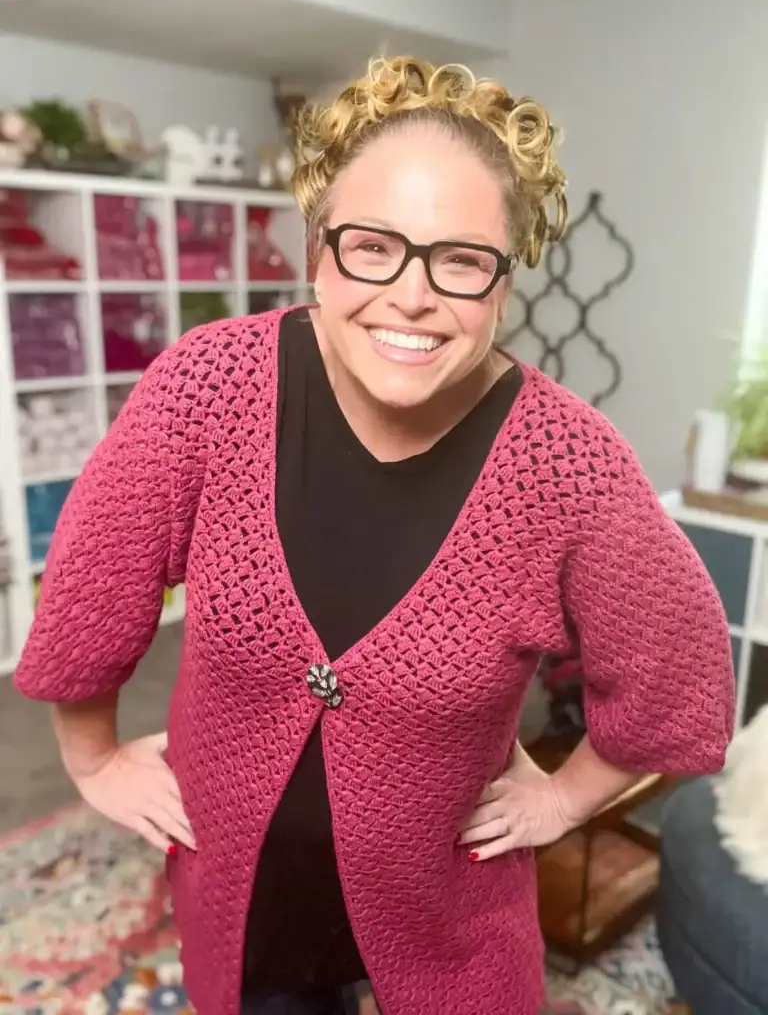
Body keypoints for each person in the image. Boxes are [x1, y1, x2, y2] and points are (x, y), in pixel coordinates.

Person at [14, 56, 735, 1015]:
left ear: (502, 283)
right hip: (246, 891)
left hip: (447, 910)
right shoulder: (210, 387)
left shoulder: (568, 465)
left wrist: (562, 800)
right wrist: (93, 758)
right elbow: (95, 575)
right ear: (319, 248)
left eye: (460, 260)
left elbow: (676, 671)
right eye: (372, 246)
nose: (411, 294)